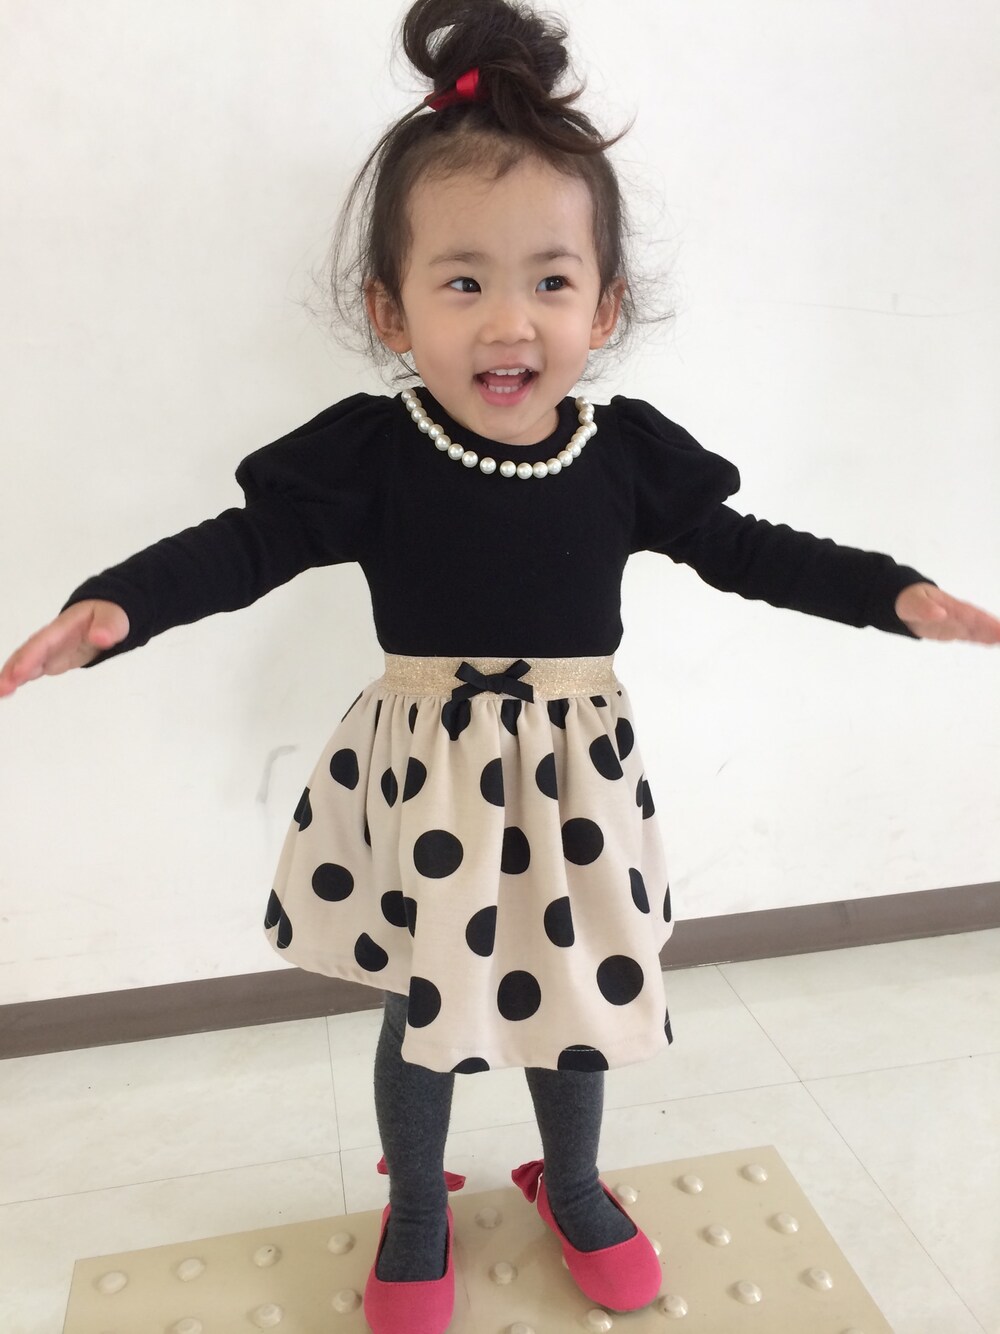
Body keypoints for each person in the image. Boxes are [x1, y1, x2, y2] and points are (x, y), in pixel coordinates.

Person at [3, 0, 998, 1329]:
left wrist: (893, 593)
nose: (509, 322)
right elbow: (248, 545)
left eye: (551, 280)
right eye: (463, 282)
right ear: (391, 308)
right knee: (428, 1002)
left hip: (575, 781)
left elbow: (747, 549)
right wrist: (117, 603)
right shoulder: (374, 454)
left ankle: (570, 1179)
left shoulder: (625, 454)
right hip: (429, 784)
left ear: (606, 303)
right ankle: (417, 1201)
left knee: (573, 990)